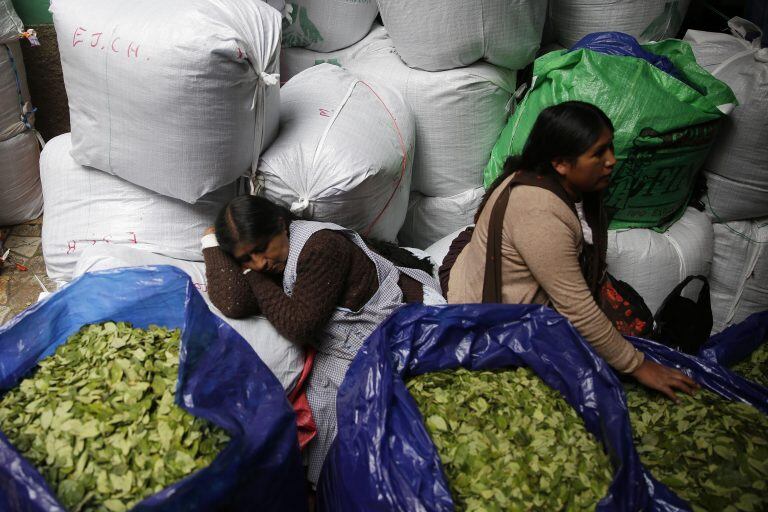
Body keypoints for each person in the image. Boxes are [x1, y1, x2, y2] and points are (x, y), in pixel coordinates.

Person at [443, 101, 699, 402]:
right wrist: (639, 366)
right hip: (489, 313)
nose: (611, 161)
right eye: (598, 153)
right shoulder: (540, 213)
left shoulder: (551, 180)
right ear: (561, 163)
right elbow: (576, 308)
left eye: (610, 148)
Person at [201, 195, 442, 486]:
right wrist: (212, 245)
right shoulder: (273, 258)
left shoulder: (321, 247)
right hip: (348, 342)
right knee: (326, 436)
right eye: (245, 259)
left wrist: (249, 273)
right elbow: (234, 301)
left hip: (401, 320)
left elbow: (298, 325)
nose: (260, 262)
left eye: (261, 249)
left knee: (397, 426)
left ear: (280, 225)